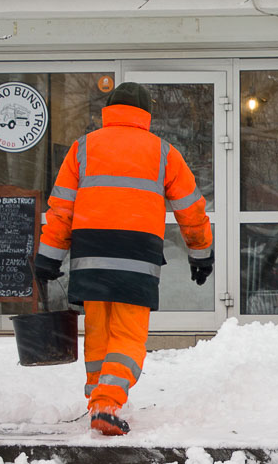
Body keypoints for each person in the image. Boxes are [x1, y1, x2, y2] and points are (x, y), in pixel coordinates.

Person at [33, 82, 214, 436]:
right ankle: (108, 401)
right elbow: (191, 209)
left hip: (91, 255)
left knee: (99, 331)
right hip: (137, 254)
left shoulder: (83, 148)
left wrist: (48, 256)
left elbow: (61, 209)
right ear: (146, 113)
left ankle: (100, 398)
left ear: (109, 110)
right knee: (129, 334)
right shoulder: (162, 152)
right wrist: (200, 253)